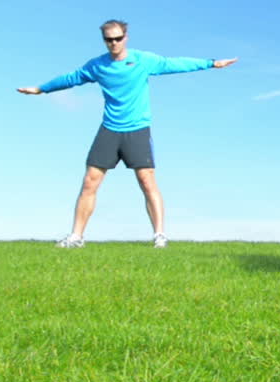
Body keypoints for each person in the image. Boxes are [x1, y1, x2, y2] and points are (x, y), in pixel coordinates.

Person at [19, 19, 237, 248]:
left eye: (117, 39)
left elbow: (174, 64)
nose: (113, 43)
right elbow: (71, 79)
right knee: (90, 182)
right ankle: (76, 237)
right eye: (109, 40)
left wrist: (212, 63)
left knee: (146, 180)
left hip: (138, 130)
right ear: (104, 41)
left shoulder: (143, 60)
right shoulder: (98, 66)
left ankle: (160, 236)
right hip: (109, 130)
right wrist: (41, 89)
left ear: (126, 37)